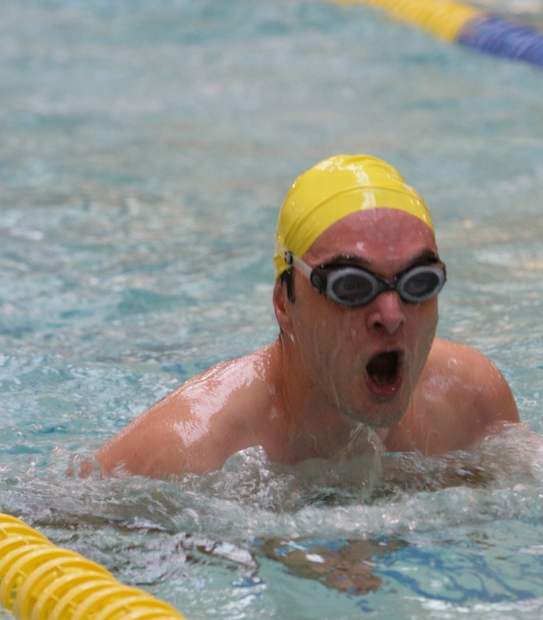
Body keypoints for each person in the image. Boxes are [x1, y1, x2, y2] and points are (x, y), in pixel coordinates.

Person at [93, 154, 519, 478]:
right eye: (351, 286)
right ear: (284, 302)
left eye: (419, 283)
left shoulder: (472, 403)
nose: (391, 315)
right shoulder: (189, 453)